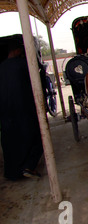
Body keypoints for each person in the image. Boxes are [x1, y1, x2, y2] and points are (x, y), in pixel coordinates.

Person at [0, 35, 43, 180]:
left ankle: (11, 172)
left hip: (5, 112)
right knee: (37, 136)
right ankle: (28, 166)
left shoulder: (1, 67)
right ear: (19, 50)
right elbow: (39, 81)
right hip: (24, 109)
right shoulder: (25, 64)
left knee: (9, 140)